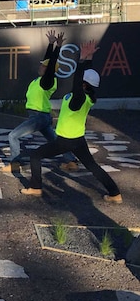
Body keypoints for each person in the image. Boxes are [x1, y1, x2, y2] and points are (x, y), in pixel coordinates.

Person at [20, 40, 122, 203]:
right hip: (78, 139)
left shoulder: (79, 99)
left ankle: (35, 187)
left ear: (83, 84)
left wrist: (81, 61)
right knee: (92, 166)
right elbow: (85, 78)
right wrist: (88, 59)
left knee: (35, 155)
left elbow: (78, 81)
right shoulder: (86, 96)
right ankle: (114, 193)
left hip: (66, 140)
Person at [0, 30, 77, 173]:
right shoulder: (41, 80)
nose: (40, 66)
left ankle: (15, 164)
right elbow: (48, 60)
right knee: (55, 142)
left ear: (48, 70)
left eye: (43, 66)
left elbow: (51, 63)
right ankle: (71, 161)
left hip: (39, 117)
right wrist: (50, 44)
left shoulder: (48, 81)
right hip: (42, 117)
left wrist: (58, 47)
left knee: (13, 136)